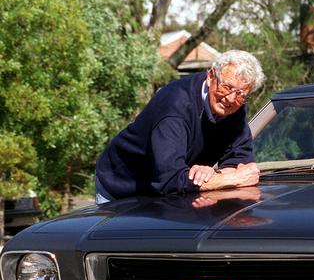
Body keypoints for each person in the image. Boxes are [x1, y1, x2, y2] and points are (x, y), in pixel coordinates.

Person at [94, 50, 265, 204]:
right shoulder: (175, 107)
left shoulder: (235, 105)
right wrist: (226, 179)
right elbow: (170, 179)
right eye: (226, 87)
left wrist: (215, 175)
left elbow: (239, 161)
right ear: (211, 76)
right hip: (122, 186)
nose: (230, 98)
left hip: (170, 193)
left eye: (241, 94)